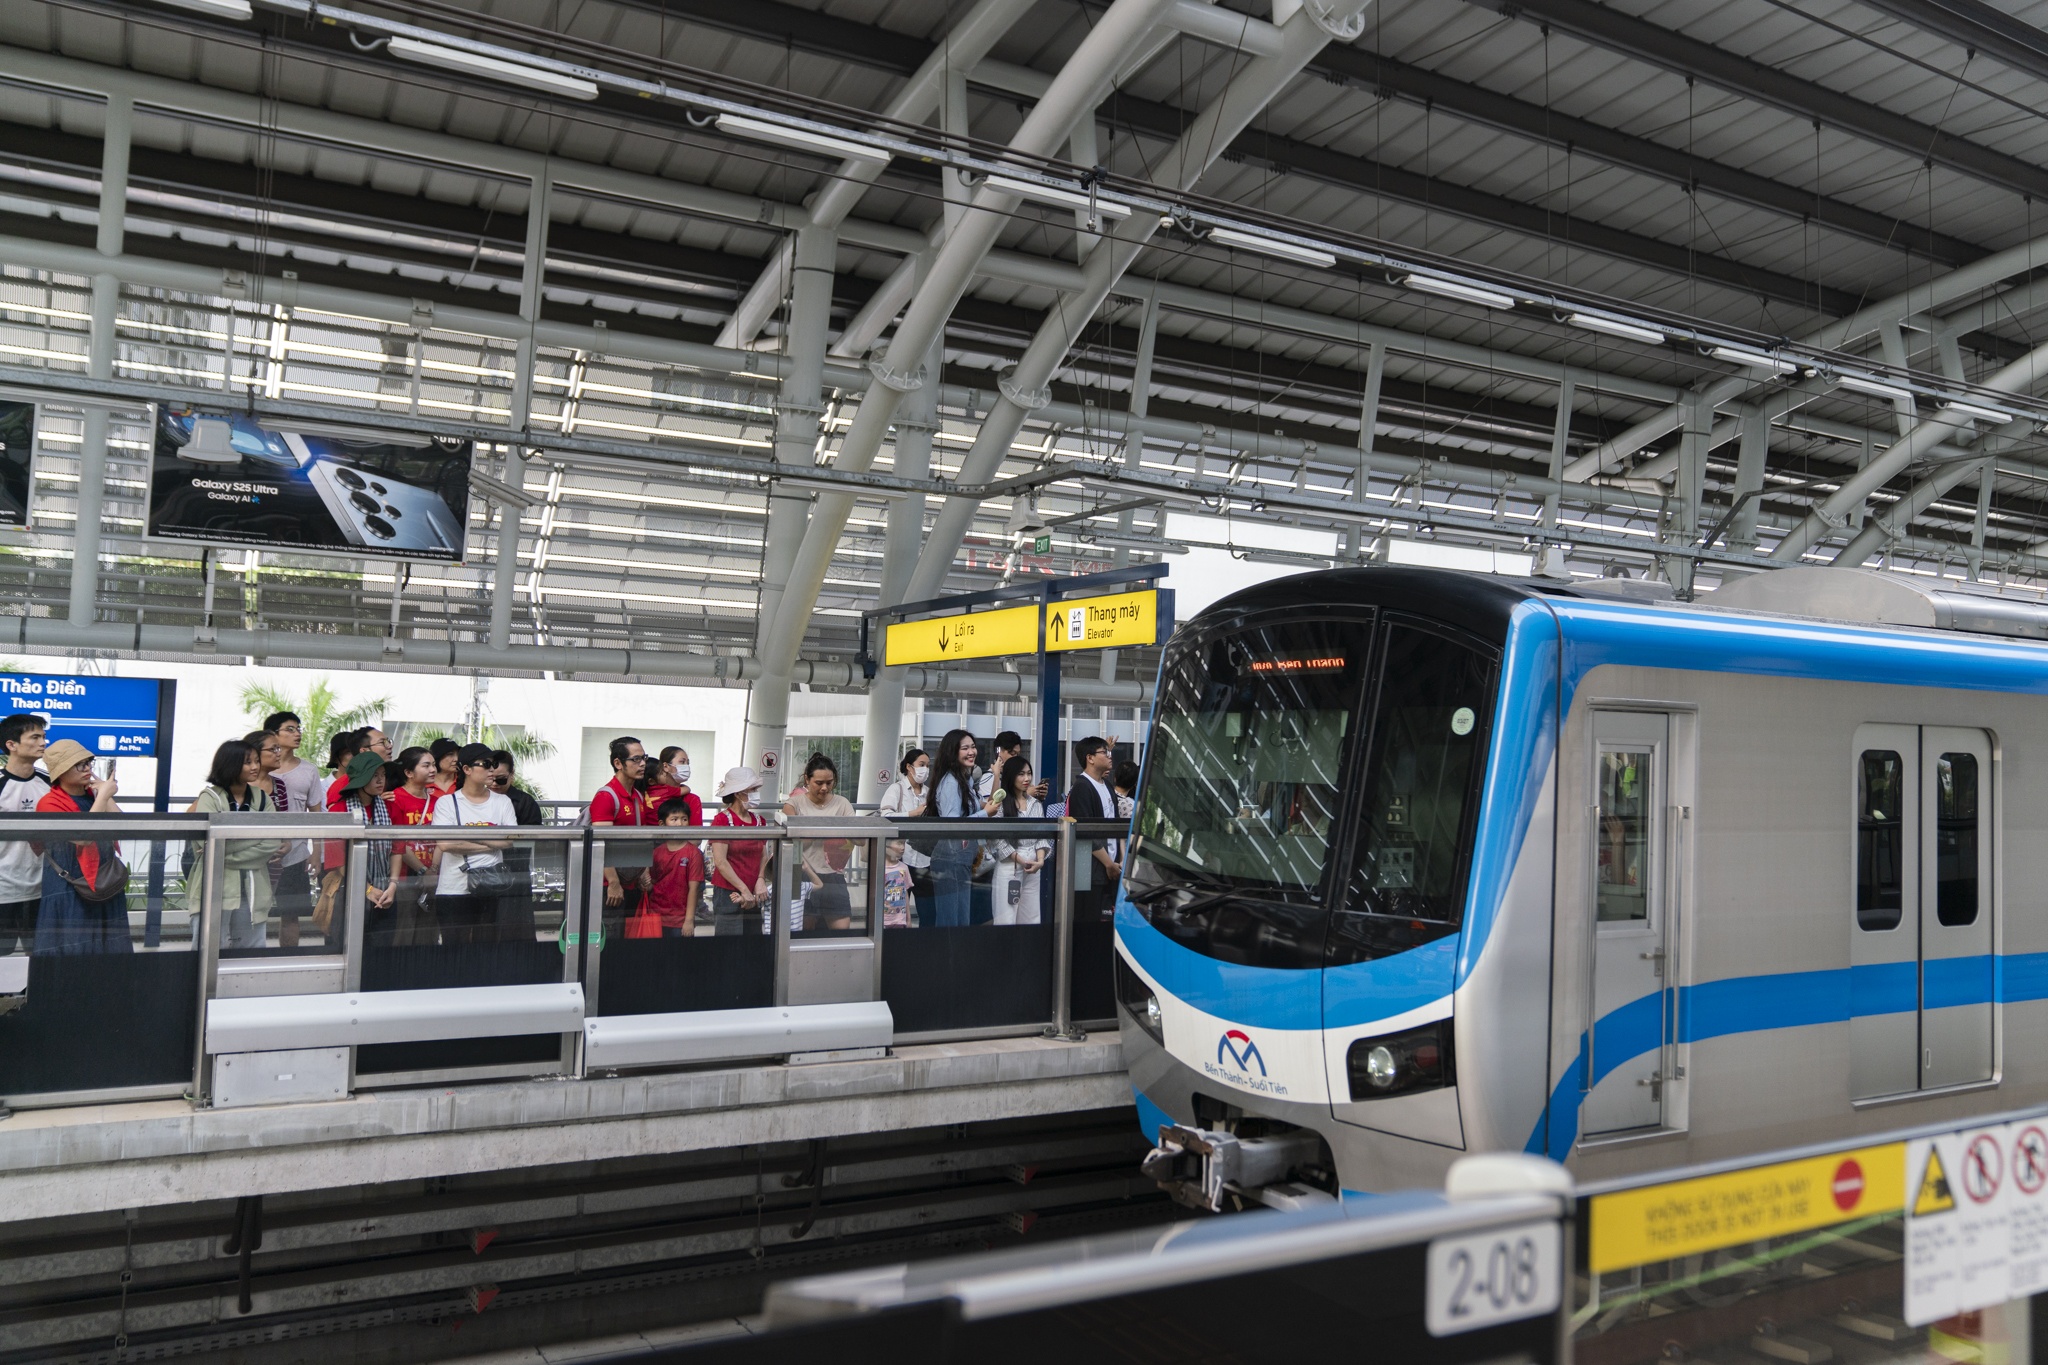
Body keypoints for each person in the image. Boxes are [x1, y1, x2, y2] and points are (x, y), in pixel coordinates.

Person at [32, 739, 126, 954]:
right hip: (70, 885)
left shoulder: (94, 796)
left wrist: (104, 795)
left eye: (88, 762)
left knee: (107, 949)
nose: (87, 769)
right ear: (61, 771)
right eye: (78, 764)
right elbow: (83, 837)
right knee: (72, 946)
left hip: (104, 880)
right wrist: (103, 795)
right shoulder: (49, 802)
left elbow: (122, 827)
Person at [190, 738, 282, 950]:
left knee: (252, 949)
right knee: (208, 948)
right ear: (230, 764)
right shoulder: (210, 797)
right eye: (248, 762)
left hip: (253, 887)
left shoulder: (262, 798)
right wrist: (254, 838)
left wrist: (224, 852)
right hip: (215, 886)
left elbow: (272, 842)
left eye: (256, 761)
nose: (255, 767)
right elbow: (207, 840)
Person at [430, 743, 518, 946]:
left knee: (485, 947)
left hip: (491, 884)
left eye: (493, 764)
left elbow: (509, 840)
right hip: (454, 886)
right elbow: (445, 844)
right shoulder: (447, 803)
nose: (492, 770)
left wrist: (469, 838)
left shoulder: (502, 802)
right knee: (454, 948)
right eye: (486, 764)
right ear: (467, 769)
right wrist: (491, 843)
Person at [926, 729, 1001, 928]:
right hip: (949, 858)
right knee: (950, 922)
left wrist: (996, 777)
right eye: (965, 748)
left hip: (962, 857)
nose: (971, 752)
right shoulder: (951, 782)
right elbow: (952, 824)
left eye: (973, 747)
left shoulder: (965, 779)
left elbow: (982, 806)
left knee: (961, 920)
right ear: (952, 752)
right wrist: (986, 813)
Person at [329, 752, 401, 943]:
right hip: (349, 892)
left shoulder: (391, 808)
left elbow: (397, 850)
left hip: (386, 892)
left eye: (383, 775)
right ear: (360, 779)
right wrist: (368, 889)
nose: (380, 780)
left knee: (382, 950)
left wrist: (393, 885)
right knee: (348, 947)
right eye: (374, 775)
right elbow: (339, 861)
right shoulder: (339, 811)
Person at [266, 712, 323, 948]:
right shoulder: (258, 769)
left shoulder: (309, 771)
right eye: (290, 729)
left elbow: (316, 814)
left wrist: (317, 851)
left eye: (298, 729)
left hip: (296, 854)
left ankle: (288, 957)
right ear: (273, 734)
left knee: (290, 914)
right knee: (250, 910)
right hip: (259, 853)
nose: (297, 733)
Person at [782, 753, 855, 931]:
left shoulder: (842, 803)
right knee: (803, 931)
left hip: (833, 875)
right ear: (807, 779)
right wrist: (830, 827)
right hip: (802, 874)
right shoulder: (793, 804)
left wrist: (814, 829)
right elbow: (795, 844)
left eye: (829, 783)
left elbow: (858, 837)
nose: (824, 788)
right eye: (819, 783)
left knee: (841, 930)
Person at [590, 736, 655, 921]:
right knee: (610, 934)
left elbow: (641, 839)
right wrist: (613, 882)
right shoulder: (606, 796)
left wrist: (643, 871)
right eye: (636, 759)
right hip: (609, 886)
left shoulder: (638, 796)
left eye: (644, 758)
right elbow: (599, 844)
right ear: (618, 763)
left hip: (631, 883)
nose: (643, 764)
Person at [0, 713, 49, 955]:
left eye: (43, 737)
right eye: (35, 737)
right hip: (3, 890)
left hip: (42, 889)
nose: (43, 742)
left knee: (39, 955)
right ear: (12, 744)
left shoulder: (50, 783)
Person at [383, 746, 440, 945]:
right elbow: (397, 842)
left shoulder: (438, 802)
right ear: (408, 772)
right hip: (405, 877)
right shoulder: (394, 799)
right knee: (403, 933)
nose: (433, 769)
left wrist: (433, 871)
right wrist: (424, 870)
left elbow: (442, 839)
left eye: (434, 765)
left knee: (428, 935)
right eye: (426, 765)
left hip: (433, 877)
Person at [708, 766, 774, 935]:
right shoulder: (721, 820)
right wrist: (743, 889)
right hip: (728, 892)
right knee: (729, 942)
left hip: (754, 890)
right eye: (752, 790)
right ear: (738, 793)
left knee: (753, 942)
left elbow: (763, 854)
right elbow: (720, 861)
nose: (756, 794)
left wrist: (760, 879)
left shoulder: (759, 821)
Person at [1064, 736, 1122, 921]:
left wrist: (1119, 860)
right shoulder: (1082, 787)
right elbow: (1085, 832)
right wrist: (1108, 863)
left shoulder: (1108, 786)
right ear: (1090, 758)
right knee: (1089, 920)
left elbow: (1117, 825)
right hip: (1091, 871)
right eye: (1104, 752)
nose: (1110, 756)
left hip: (1113, 868)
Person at [989, 754, 1049, 926]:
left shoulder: (1035, 804)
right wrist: (1020, 859)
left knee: (1031, 917)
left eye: (1029, 773)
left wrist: (1040, 860)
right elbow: (998, 839)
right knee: (1006, 918)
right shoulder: (1001, 804)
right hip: (1010, 865)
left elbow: (1041, 836)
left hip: (1034, 865)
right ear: (1011, 776)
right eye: (1021, 774)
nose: (1027, 778)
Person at [489, 749, 543, 942]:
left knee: (516, 927)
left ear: (512, 775)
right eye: (491, 779)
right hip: (484, 870)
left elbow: (531, 839)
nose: (494, 784)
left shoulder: (524, 802)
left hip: (514, 871)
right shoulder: (478, 800)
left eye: (501, 779)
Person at [878, 749, 933, 928]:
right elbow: (886, 815)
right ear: (909, 767)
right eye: (921, 765)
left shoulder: (929, 793)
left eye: (928, 766)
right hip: (901, 858)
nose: (925, 770)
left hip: (925, 860)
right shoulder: (897, 789)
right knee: (897, 911)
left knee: (928, 912)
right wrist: (912, 814)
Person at [642, 796, 706, 938]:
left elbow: (694, 889)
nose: (680, 823)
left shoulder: (693, 853)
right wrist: (644, 882)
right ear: (662, 824)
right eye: (674, 819)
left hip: (680, 921)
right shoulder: (657, 852)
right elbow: (653, 883)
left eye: (684, 819)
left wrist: (689, 920)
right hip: (656, 916)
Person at [643, 747, 702, 826]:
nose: (686, 766)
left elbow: (696, 832)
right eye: (682, 762)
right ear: (665, 766)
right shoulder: (642, 794)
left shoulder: (692, 799)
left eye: (688, 763)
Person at [881, 839, 914, 929]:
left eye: (903, 843)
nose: (902, 847)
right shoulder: (879, 868)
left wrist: (908, 920)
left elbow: (905, 894)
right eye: (899, 843)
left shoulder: (904, 868)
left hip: (899, 919)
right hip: (882, 919)